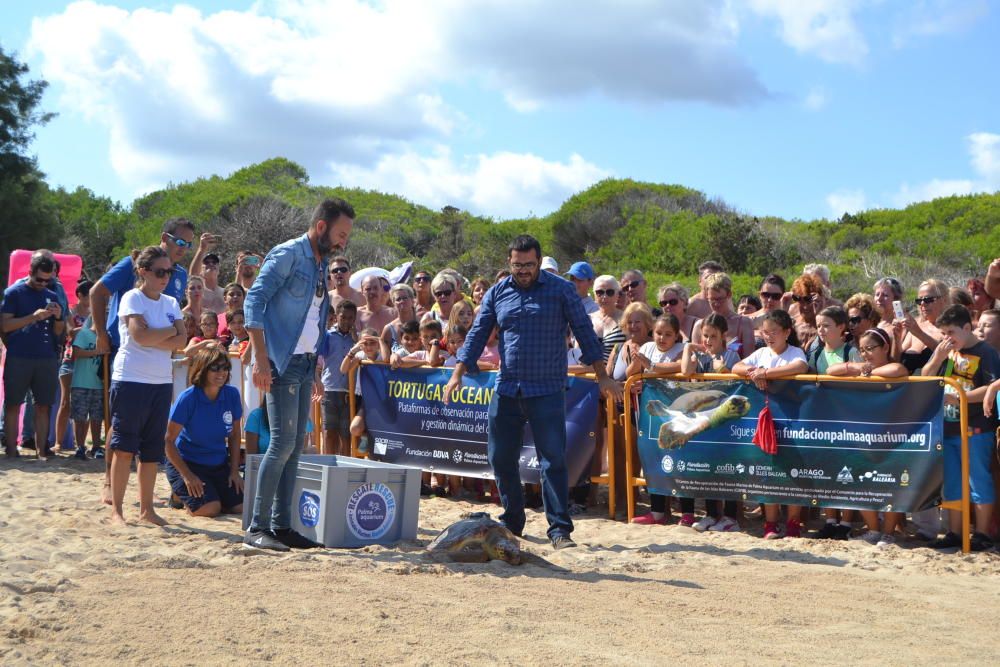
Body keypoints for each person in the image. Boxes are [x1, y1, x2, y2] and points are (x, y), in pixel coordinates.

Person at [444, 235, 621, 550]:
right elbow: (478, 332)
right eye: (517, 265)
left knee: (552, 460)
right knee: (500, 458)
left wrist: (603, 376)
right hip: (508, 387)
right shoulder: (498, 293)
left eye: (528, 264)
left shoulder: (561, 290)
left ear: (539, 262)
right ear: (509, 263)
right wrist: (458, 372)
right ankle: (513, 521)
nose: (523, 270)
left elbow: (584, 331)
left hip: (548, 389)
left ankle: (559, 530)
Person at [244, 197, 354, 552]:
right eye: (340, 233)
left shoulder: (320, 263)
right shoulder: (289, 253)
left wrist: (318, 357)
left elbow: (313, 316)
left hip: (306, 361)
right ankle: (258, 527)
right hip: (282, 360)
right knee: (281, 443)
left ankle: (280, 525)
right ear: (321, 227)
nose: (343, 242)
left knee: (294, 446)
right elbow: (253, 301)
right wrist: (261, 359)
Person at [90, 217, 193, 501]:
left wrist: (165, 335)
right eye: (180, 241)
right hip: (125, 352)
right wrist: (100, 334)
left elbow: (179, 333)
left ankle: (141, 496)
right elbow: (97, 292)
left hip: (159, 361)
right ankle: (109, 482)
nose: (184, 247)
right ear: (166, 237)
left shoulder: (179, 274)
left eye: (189, 243)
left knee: (148, 434)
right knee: (120, 426)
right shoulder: (130, 263)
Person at [108, 246, 187, 525]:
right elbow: (139, 336)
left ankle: (147, 510)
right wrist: (167, 332)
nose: (165, 276)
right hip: (130, 379)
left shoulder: (171, 302)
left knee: (152, 449)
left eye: (170, 271)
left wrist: (157, 336)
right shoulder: (132, 297)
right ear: (143, 271)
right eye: (159, 271)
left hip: (161, 381)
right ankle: (117, 510)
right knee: (124, 446)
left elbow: (182, 341)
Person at [920, 305, 998, 551]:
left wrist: (959, 398)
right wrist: (938, 356)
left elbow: (992, 386)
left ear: (967, 327)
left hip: (976, 427)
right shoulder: (948, 352)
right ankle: (955, 531)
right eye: (943, 333)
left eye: (951, 332)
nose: (947, 338)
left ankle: (982, 533)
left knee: (978, 480)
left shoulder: (986, 352)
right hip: (950, 427)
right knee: (953, 482)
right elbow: (926, 377)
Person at [732, 309, 808, 539]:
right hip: (767, 419)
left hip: (792, 418)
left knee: (793, 470)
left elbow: (799, 367)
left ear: (787, 332)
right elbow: (736, 368)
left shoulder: (795, 351)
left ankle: (794, 523)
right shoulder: (761, 352)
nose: (769, 336)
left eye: (774, 331)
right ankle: (771, 523)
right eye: (765, 332)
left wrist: (767, 373)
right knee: (768, 469)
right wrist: (754, 371)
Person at [828, 328, 908, 547]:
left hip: (891, 436)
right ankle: (873, 529)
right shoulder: (859, 367)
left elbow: (897, 370)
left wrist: (867, 373)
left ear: (885, 347)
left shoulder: (891, 366)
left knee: (892, 484)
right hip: (862, 436)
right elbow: (831, 370)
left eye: (870, 349)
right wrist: (854, 367)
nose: (865, 355)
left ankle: (888, 533)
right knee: (858, 482)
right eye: (862, 350)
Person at [163, 346, 244, 517]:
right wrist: (187, 475)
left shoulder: (232, 394)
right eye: (214, 368)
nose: (221, 372)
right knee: (210, 509)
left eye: (225, 367)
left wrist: (234, 470)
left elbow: (235, 435)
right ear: (202, 369)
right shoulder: (188, 398)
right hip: (187, 463)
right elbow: (168, 441)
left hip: (218, 463)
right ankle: (177, 495)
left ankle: (212, 494)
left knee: (241, 507)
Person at [1, 253, 65, 459]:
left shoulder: (53, 295)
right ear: (29, 272)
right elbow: (5, 325)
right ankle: (11, 450)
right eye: (39, 279)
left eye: (48, 280)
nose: (43, 284)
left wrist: (58, 317)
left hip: (46, 357)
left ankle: (41, 452)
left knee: (43, 406)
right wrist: (32, 317)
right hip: (19, 356)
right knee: (13, 404)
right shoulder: (13, 293)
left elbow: (58, 332)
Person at [805, 306, 861, 539]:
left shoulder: (851, 351)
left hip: (848, 419)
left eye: (826, 325)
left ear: (841, 327)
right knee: (825, 469)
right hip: (822, 420)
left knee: (847, 472)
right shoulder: (815, 353)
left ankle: (846, 523)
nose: (821, 330)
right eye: (818, 325)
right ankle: (829, 519)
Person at [628, 314, 688, 526]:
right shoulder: (646, 348)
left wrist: (650, 366)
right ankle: (658, 512)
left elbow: (680, 367)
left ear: (676, 336)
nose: (662, 338)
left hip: (676, 413)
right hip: (651, 413)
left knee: (680, 460)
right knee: (653, 461)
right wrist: (638, 363)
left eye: (668, 334)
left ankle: (687, 511)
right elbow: (630, 373)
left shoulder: (680, 350)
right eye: (659, 333)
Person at [54, 280, 92, 452]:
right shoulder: (70, 311)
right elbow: (70, 333)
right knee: (65, 403)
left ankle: (81, 444)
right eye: (90, 295)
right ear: (80, 295)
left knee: (86, 405)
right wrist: (91, 330)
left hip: (90, 361)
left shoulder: (96, 313)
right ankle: (59, 443)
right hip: (70, 360)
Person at [319, 301, 357, 456]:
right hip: (330, 389)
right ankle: (329, 465)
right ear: (336, 317)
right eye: (343, 317)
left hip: (349, 391)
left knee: (346, 433)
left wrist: (356, 339)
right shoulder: (328, 336)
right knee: (329, 432)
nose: (347, 321)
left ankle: (345, 467)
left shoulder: (356, 338)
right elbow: (320, 358)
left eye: (350, 318)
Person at [690, 272, 755, 359]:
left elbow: (749, 359)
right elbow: (695, 360)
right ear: (707, 296)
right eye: (712, 299)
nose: (716, 304)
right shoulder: (699, 325)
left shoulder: (744, 323)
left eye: (720, 299)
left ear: (729, 294)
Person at [341, 328, 383, 453]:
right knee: (355, 428)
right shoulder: (360, 356)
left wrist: (381, 341)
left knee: (380, 432)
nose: (369, 346)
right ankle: (365, 437)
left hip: (383, 400)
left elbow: (386, 358)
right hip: (365, 399)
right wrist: (352, 351)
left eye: (372, 342)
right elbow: (343, 369)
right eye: (365, 343)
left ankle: (378, 454)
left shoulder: (382, 355)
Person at [69, 316, 105, 460]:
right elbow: (76, 352)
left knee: (97, 418)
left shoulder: (106, 337)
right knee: (80, 418)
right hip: (81, 382)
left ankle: (96, 446)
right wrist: (97, 352)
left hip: (98, 384)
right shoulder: (84, 333)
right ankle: (80, 446)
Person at [897, 279, 950, 374]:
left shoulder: (952, 328)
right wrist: (896, 336)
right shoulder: (915, 327)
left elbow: (950, 356)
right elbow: (896, 360)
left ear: (944, 300)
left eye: (928, 300)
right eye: (919, 300)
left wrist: (919, 333)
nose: (922, 304)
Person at [787, 273, 826, 351]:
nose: (805, 306)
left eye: (808, 300)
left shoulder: (829, 317)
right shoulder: (790, 312)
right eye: (799, 299)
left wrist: (819, 314)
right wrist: (782, 311)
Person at [590, 275, 625, 360]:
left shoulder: (626, 319)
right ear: (594, 295)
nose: (604, 296)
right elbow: (577, 352)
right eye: (600, 292)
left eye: (610, 292)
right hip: (587, 371)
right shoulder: (587, 320)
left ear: (617, 295)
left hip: (615, 372)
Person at [380, 284, 418, 355]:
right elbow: (384, 358)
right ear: (393, 304)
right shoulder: (388, 329)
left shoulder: (423, 323)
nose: (402, 301)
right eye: (398, 299)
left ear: (412, 301)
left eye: (405, 298)